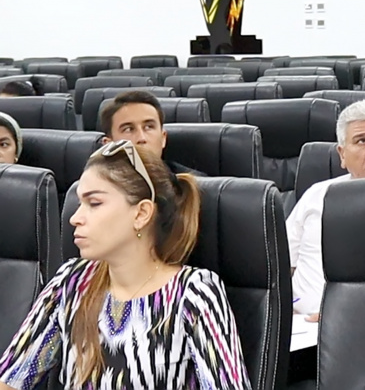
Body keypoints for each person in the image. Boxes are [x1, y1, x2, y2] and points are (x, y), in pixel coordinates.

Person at [0, 140, 251, 390]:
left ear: (141, 214)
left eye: (94, 203)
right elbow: (13, 377)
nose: (75, 218)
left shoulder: (193, 292)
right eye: (79, 203)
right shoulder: (71, 281)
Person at [287, 99, 365, 320]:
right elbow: (282, 266)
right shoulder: (316, 195)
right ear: (342, 154)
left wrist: (343, 317)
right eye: (362, 141)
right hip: (300, 326)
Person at [99, 90, 202, 176]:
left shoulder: (193, 186)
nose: (141, 138)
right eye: (128, 129)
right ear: (108, 145)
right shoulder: (95, 186)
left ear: (163, 138)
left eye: (149, 127)